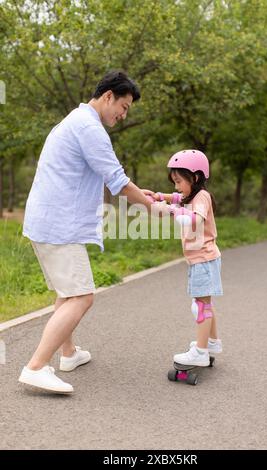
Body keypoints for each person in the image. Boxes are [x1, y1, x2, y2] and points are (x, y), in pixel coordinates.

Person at [19, 71, 153, 394]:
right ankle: (35, 366)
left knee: (67, 294)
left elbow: (116, 181)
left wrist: (143, 195)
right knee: (82, 296)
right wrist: (152, 206)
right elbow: (118, 182)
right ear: (108, 96)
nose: (123, 115)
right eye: (123, 106)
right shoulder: (89, 127)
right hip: (57, 225)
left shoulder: (76, 121)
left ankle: (68, 354)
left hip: (48, 221)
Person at [148, 149, 223, 367]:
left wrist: (170, 210)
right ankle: (211, 342)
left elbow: (195, 220)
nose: (176, 186)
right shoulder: (193, 195)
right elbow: (178, 198)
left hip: (203, 260)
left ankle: (200, 351)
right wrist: (158, 196)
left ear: (196, 177)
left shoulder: (202, 197)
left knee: (200, 305)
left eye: (179, 181)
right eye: (174, 181)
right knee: (205, 303)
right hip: (203, 259)